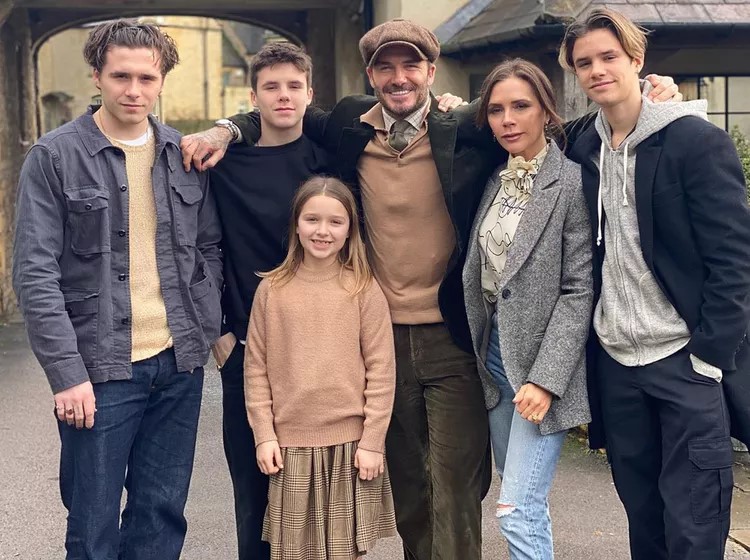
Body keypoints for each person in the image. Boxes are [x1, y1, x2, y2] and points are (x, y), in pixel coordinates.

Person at [180, 18, 681, 560]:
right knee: (408, 488)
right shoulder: (348, 124)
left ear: (430, 70)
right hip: (379, 339)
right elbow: (281, 110)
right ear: (370, 74)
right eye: (386, 67)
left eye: (411, 65)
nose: (399, 77)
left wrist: (643, 96)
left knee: (457, 484)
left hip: (454, 337)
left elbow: (542, 123)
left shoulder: (463, 127)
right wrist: (224, 130)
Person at [12, 19, 222, 560]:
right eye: (121, 76)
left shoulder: (182, 154)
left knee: (161, 512)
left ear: (162, 81)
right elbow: (35, 272)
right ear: (97, 77)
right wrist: (66, 374)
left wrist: (206, 324)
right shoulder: (54, 157)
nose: (134, 90)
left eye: (146, 78)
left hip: (177, 364)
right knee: (93, 521)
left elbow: (208, 247)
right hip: (99, 371)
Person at [560, 8, 750, 559]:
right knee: (644, 521)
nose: (597, 70)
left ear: (637, 59)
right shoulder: (583, 146)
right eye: (584, 63)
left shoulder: (695, 142)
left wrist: (709, 356)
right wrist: (448, 108)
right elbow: (514, 122)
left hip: (683, 360)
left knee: (695, 525)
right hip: (617, 365)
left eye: (609, 57)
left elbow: (734, 260)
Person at [463, 58, 593, 559]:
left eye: (520, 106)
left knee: (515, 507)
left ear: (546, 110)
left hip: (542, 365)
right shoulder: (495, 180)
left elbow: (578, 290)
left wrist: (546, 379)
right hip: (494, 358)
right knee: (522, 499)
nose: (508, 119)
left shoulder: (572, 183)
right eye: (496, 110)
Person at [206, 42, 329, 560]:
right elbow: (194, 248)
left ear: (310, 93)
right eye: (271, 87)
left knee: (320, 495)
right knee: (254, 498)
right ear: (252, 97)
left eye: (294, 86)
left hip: (322, 349)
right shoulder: (222, 163)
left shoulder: (330, 160)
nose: (284, 96)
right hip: (247, 349)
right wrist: (217, 333)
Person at [244, 176, 397, 560]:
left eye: (335, 222)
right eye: (312, 219)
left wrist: (372, 442)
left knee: (345, 553)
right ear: (296, 225)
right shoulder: (271, 290)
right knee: (293, 552)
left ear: (350, 231)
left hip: (350, 446)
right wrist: (264, 435)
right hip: (290, 448)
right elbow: (256, 369)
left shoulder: (363, 289)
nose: (323, 231)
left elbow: (382, 370)